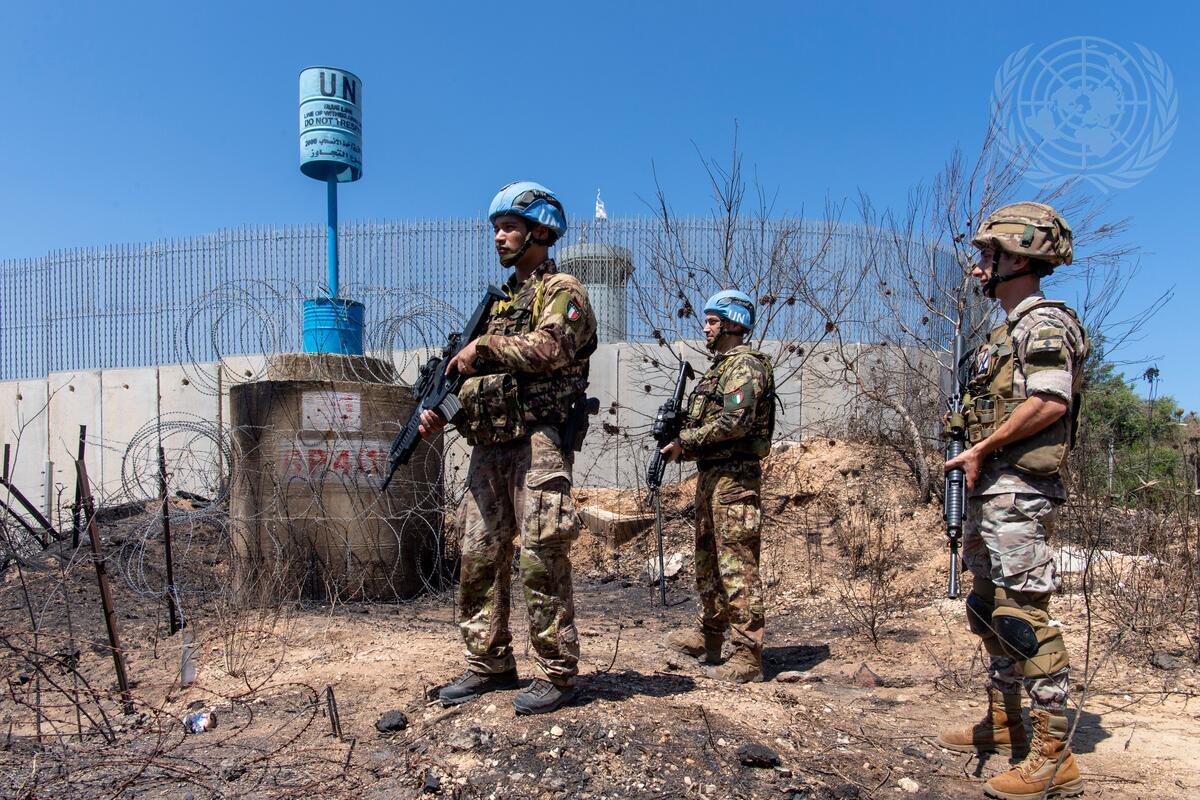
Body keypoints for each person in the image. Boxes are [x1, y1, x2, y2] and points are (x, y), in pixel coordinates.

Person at [419, 181, 597, 715]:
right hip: (490, 447)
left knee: (541, 555)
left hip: (538, 442)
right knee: (478, 555)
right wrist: (438, 410)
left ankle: (559, 673)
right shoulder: (500, 305)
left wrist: (485, 348)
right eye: (495, 228)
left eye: (509, 227)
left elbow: (550, 348)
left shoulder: (563, 291)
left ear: (540, 231)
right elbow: (478, 381)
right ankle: (488, 662)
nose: (498, 237)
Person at [937, 202, 1088, 800]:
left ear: (1018, 256)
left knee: (1023, 617)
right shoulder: (1001, 334)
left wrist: (984, 447)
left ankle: (1055, 758)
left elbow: (1050, 401)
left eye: (987, 253)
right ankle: (1005, 722)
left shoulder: (1044, 324)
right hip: (989, 488)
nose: (978, 266)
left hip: (1017, 489)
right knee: (986, 608)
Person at [660, 290, 776, 683]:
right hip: (712, 474)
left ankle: (748, 654)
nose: (705, 327)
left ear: (731, 323)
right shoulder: (719, 368)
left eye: (712, 321)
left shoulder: (744, 366)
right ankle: (710, 636)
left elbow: (736, 423)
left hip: (735, 478)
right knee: (708, 560)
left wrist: (686, 443)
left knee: (737, 563)